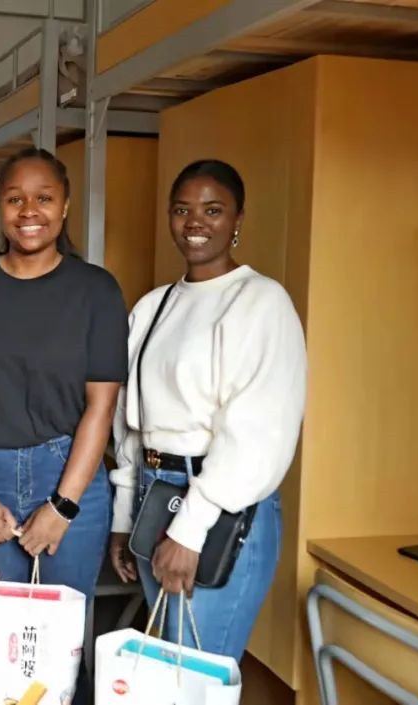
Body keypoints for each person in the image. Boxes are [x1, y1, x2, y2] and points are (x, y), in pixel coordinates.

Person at [0, 147, 128, 702]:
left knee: (60, 654)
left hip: (70, 477)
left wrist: (62, 507)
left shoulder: (96, 290)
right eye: (15, 199)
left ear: (64, 206)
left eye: (44, 198)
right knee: (0, 651)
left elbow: (100, 408)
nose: (29, 211)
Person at [108, 159, 307, 661]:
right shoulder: (154, 305)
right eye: (182, 210)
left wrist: (191, 529)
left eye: (212, 210)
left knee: (196, 671)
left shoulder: (260, 302)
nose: (194, 222)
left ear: (238, 219)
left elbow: (257, 435)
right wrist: (124, 515)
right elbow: (131, 421)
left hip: (217, 508)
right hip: (154, 496)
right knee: (167, 664)